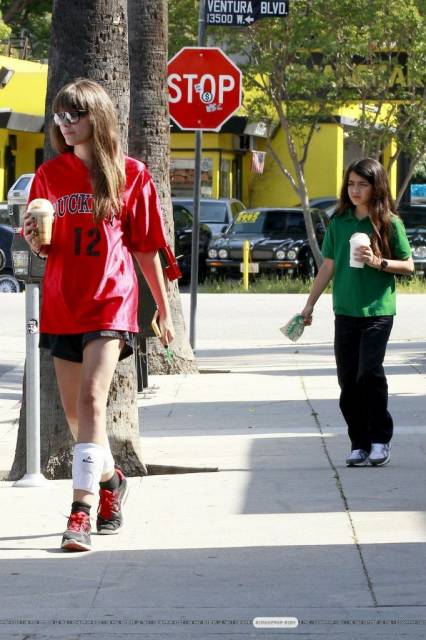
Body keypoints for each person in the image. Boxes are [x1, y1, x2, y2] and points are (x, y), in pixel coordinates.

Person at [23, 78, 175, 552]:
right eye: (60, 116)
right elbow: (42, 244)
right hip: (62, 302)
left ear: (98, 117)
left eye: (75, 115)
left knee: (92, 400)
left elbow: (146, 248)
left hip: (111, 299)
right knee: (76, 417)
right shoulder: (49, 176)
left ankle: (80, 512)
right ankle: (111, 481)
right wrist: (35, 239)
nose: (65, 124)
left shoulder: (131, 174)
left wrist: (164, 310)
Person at [301, 158, 413, 467]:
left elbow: (409, 265)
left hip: (378, 311)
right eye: (351, 184)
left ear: (376, 187)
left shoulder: (389, 223)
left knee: (369, 373)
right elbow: (328, 266)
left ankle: (379, 440)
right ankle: (359, 444)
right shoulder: (339, 222)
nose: (355, 190)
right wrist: (309, 304)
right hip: (345, 312)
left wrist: (379, 262)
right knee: (348, 380)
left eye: (362, 184)